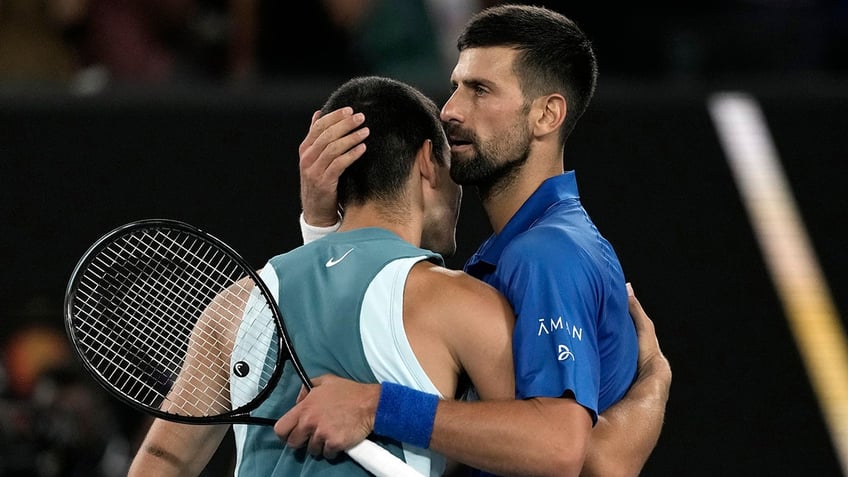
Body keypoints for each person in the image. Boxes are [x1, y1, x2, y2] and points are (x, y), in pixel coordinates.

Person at [275, 4, 671, 477]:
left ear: (547, 115)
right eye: (456, 86)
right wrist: (320, 226)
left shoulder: (547, 254)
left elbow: (570, 453)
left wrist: (376, 405)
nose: (450, 111)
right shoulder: (516, 251)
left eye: (481, 90)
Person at [128, 75, 518, 476]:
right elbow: (536, 449)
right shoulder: (461, 302)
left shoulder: (236, 304)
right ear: (426, 162)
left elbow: (160, 463)